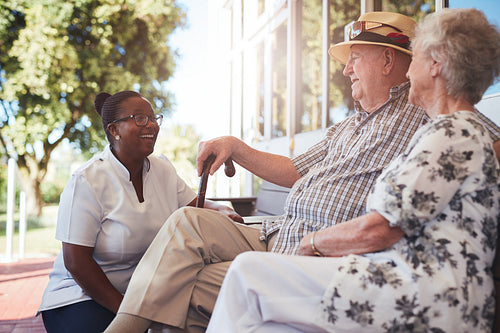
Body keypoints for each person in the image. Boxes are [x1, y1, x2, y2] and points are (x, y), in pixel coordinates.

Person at [104, 12, 500, 333]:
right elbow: (296, 169)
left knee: (186, 285)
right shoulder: (350, 124)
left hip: (330, 255)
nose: (346, 72)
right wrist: (237, 148)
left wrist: (318, 242)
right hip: (282, 232)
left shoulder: (433, 119)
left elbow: (472, 130)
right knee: (187, 223)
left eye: (354, 59)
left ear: (387, 59)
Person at [37, 90, 241, 333]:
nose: (152, 125)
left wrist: (222, 210)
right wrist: (129, 313)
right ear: (114, 130)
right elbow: (76, 262)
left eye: (155, 118)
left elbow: (193, 204)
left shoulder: (162, 168)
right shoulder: (87, 180)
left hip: (141, 295)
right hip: (81, 296)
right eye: (141, 118)